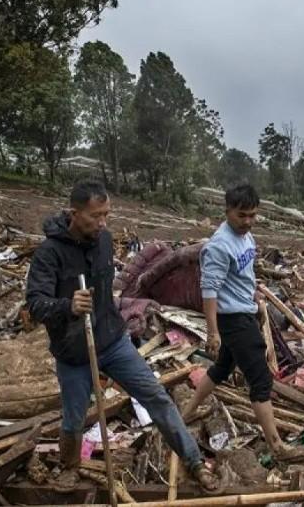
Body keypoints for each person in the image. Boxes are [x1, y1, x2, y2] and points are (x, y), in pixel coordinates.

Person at [25, 181, 218, 491]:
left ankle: (194, 461)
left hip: (112, 340)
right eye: (95, 216)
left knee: (155, 396)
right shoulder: (49, 253)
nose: (103, 223)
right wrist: (67, 305)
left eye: (107, 215)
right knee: (74, 417)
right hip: (73, 351)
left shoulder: (102, 241)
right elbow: (34, 304)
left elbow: (110, 289)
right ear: (74, 213)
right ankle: (70, 467)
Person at [182, 184, 304, 463]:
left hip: (245, 310)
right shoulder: (219, 246)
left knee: (222, 368)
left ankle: (186, 412)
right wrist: (212, 332)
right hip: (232, 319)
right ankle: (277, 447)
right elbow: (209, 290)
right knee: (260, 380)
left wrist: (253, 292)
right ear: (227, 211)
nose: (247, 222)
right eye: (241, 216)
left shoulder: (246, 238)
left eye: (253, 215)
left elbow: (243, 271)